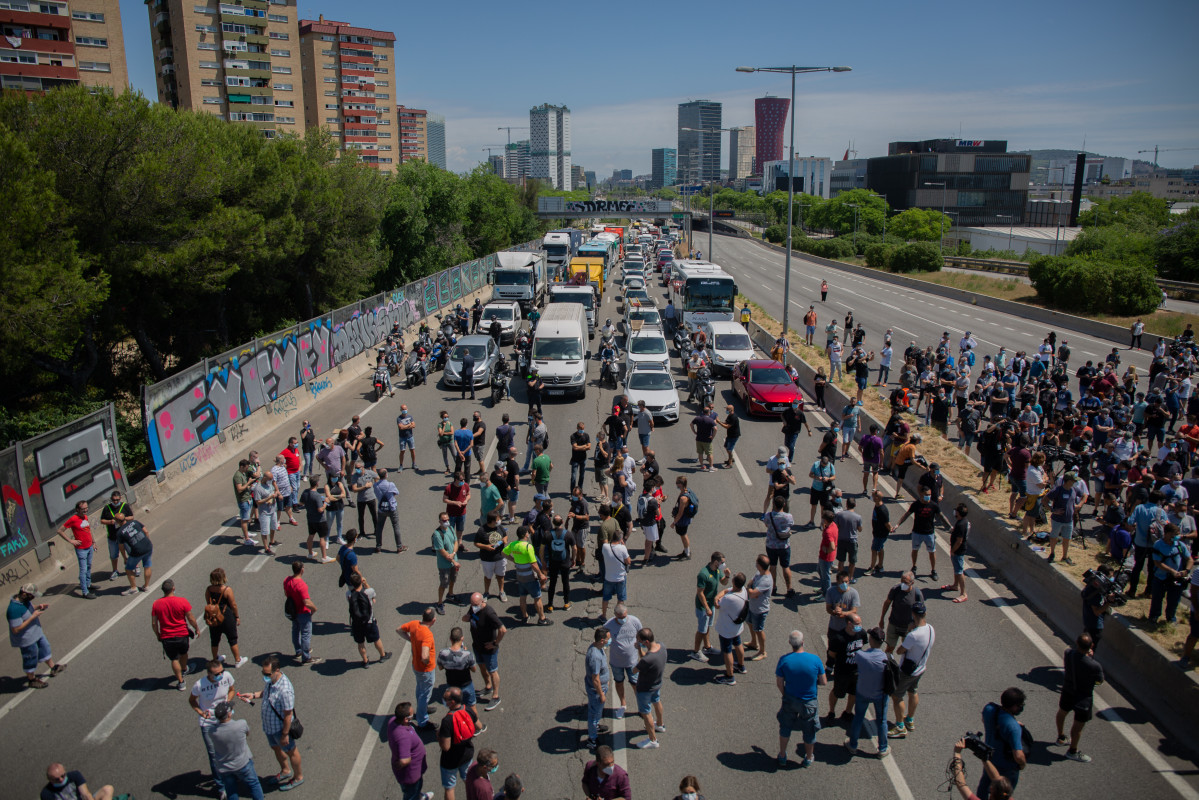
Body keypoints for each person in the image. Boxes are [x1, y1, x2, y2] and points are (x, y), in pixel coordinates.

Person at [239, 655, 304, 792]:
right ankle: (285, 770)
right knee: (275, 748)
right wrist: (254, 695)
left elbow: (288, 715)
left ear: (277, 670)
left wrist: (285, 734)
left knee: (292, 751)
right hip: (270, 727)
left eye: (267, 674)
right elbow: (267, 693)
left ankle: (298, 776)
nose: (265, 676)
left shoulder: (285, 690)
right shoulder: (272, 681)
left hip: (280, 729)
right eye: (263, 673)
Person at [775, 630, 827, 767]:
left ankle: (782, 755)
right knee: (809, 730)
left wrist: (785, 693)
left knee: (785, 727)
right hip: (809, 701)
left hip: (790, 699)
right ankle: (809, 757)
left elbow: (779, 682)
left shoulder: (784, 660)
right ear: (803, 642)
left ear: (790, 644)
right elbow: (824, 681)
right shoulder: (815, 659)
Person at [1055, 632, 1104, 764]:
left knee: (1062, 712)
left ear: (1077, 643)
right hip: (1083, 697)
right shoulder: (1095, 666)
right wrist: (1090, 659)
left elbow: (1072, 654)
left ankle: (1060, 737)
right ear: (1092, 646)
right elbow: (1099, 682)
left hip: (1068, 690)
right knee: (1078, 725)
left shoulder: (1068, 654)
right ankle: (1072, 751)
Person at [8, 583, 65, 690]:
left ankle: (53, 667)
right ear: (24, 594)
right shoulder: (13, 609)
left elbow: (29, 608)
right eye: (32, 595)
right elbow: (16, 629)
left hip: (36, 632)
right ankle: (32, 680)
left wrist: (38, 606)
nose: (33, 597)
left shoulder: (24, 601)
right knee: (30, 658)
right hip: (27, 639)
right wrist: (33, 617)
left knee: (45, 648)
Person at [889, 600, 933, 739]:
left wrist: (909, 631)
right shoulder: (931, 629)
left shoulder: (913, 635)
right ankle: (910, 719)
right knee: (913, 691)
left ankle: (900, 725)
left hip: (907, 671)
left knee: (897, 696)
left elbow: (900, 651)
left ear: (913, 614)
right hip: (920, 668)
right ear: (925, 613)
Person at [979, 688, 1027, 797]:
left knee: (983, 789)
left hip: (989, 761)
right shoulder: (1013, 728)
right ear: (1014, 706)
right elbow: (1018, 756)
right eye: (1020, 705)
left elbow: (984, 720)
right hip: (1006, 768)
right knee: (1001, 796)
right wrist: (1022, 764)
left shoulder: (989, 709)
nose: (1021, 707)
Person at [438, 686, 484, 800]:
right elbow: (479, 726)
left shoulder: (447, 721)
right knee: (469, 781)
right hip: (467, 754)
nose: (443, 700)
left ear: (452, 702)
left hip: (450, 760)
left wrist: (439, 735)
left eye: (445, 698)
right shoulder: (467, 709)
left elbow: (445, 747)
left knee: (449, 788)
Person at [151, 579, 198, 690]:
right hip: (182, 634)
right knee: (184, 652)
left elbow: (154, 623)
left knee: (174, 659)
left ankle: (181, 682)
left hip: (167, 637)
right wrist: (196, 628)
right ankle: (185, 668)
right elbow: (190, 618)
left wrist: (158, 634)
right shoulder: (182, 601)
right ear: (173, 588)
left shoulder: (156, 604)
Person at [463, 593, 506, 712]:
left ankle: (496, 696)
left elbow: (502, 630)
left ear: (482, 602)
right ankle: (488, 686)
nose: (473, 607)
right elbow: (467, 617)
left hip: (489, 649)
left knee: (492, 671)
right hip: (477, 645)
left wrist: (495, 643)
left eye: (475, 604)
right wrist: (465, 618)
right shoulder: (473, 608)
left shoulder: (489, 613)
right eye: (471, 604)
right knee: (482, 667)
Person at [398, 608, 438, 729]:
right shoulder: (427, 635)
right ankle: (423, 721)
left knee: (420, 689)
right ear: (433, 620)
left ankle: (423, 709)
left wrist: (411, 639)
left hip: (416, 666)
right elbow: (425, 655)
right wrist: (426, 661)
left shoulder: (414, 624)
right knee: (424, 694)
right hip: (425, 670)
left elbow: (399, 630)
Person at [502, 525, 550, 625]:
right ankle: (542, 618)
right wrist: (540, 574)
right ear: (525, 535)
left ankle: (525, 616)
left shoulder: (513, 544)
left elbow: (503, 553)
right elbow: (533, 563)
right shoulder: (528, 547)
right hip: (530, 577)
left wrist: (513, 559)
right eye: (527, 532)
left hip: (520, 576)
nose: (528, 534)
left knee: (522, 597)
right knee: (537, 598)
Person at [603, 603, 642, 721]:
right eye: (620, 617)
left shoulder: (635, 621)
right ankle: (623, 704)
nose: (623, 619)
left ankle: (641, 707)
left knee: (636, 684)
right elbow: (603, 638)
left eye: (624, 616)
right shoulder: (608, 625)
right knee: (619, 682)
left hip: (632, 662)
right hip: (616, 663)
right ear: (615, 615)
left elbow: (641, 635)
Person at [689, 552, 729, 661]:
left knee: (707, 627)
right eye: (722, 562)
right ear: (716, 562)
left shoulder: (717, 570)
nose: (723, 564)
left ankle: (707, 647)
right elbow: (700, 593)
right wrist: (706, 607)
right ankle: (696, 652)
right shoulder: (703, 574)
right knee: (701, 630)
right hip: (703, 607)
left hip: (711, 605)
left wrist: (727, 576)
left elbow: (724, 582)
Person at [388, 702, 433, 800]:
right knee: (411, 794)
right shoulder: (403, 737)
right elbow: (405, 760)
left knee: (415, 791)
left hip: (414, 771)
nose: (413, 716)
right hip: (411, 774)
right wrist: (398, 766)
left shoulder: (392, 721)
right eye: (412, 715)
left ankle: (419, 796)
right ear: (405, 719)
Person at [204, 568, 246, 667]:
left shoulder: (209, 589)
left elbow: (208, 602)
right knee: (232, 638)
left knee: (214, 639)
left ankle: (215, 659)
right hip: (226, 616)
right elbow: (233, 605)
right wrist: (237, 616)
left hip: (214, 617)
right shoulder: (227, 590)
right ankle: (237, 660)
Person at [897, 486, 941, 581]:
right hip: (917, 532)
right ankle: (914, 566)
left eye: (929, 495)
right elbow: (907, 515)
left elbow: (941, 516)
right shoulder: (916, 505)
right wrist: (898, 524)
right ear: (921, 494)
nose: (928, 496)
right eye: (926, 495)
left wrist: (950, 527)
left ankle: (933, 570)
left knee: (932, 552)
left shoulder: (934, 505)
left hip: (929, 533)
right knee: (915, 550)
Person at [633, 626, 667, 749]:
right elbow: (646, 658)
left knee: (646, 713)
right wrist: (639, 649)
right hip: (656, 684)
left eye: (640, 641)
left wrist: (639, 651)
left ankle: (652, 740)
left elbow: (634, 670)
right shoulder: (661, 646)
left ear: (646, 642)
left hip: (644, 689)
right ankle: (660, 724)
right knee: (657, 701)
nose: (638, 643)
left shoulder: (647, 660)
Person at [347, 572, 390, 667]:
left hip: (357, 623)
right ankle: (383, 655)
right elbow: (373, 593)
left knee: (360, 643)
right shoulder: (368, 592)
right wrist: (365, 583)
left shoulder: (349, 594)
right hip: (369, 622)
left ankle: (365, 661)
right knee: (376, 639)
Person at [713, 572, 749, 685]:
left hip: (726, 629)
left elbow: (718, 605)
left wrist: (716, 598)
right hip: (736, 627)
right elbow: (725, 591)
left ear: (733, 582)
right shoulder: (743, 591)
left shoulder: (729, 599)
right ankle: (741, 665)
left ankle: (730, 676)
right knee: (738, 644)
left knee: (727, 651)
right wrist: (719, 596)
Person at [57, 500, 96, 599]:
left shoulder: (85, 517)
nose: (86, 510)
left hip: (89, 546)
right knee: (83, 570)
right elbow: (60, 530)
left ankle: (88, 584)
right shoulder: (73, 519)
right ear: (77, 509)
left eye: (86, 508)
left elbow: (88, 530)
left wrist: (93, 542)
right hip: (81, 549)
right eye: (83, 509)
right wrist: (71, 541)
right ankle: (85, 592)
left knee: (89, 566)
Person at [824, 568, 860, 677]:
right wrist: (834, 612)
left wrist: (843, 614)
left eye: (846, 582)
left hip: (847, 629)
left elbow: (854, 610)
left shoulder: (853, 593)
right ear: (837, 581)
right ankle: (829, 666)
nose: (844, 584)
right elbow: (828, 608)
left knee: (844, 651)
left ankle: (840, 668)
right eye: (842, 582)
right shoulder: (831, 591)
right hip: (834, 627)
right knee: (831, 650)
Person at [283, 562, 320, 666]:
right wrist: (314, 609)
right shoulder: (301, 585)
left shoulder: (287, 580)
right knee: (306, 634)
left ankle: (298, 650)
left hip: (293, 611)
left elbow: (286, 593)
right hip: (303, 612)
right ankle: (306, 656)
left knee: (295, 630)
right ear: (302, 570)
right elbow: (306, 602)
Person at [948, 742, 1013, 800]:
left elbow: (961, 784)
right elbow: (996, 778)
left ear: (991, 788)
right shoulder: (1005, 796)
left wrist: (957, 754)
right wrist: (984, 758)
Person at [438, 626, 478, 714]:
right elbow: (474, 669)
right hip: (466, 684)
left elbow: (440, 667)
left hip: (451, 685)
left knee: (453, 707)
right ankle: (476, 726)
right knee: (472, 706)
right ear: (462, 638)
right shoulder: (467, 654)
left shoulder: (443, 653)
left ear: (450, 639)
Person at [114, 511, 154, 595]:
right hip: (148, 547)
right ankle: (146, 586)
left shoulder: (120, 532)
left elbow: (121, 547)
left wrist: (125, 557)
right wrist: (147, 542)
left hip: (137, 551)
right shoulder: (134, 522)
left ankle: (133, 587)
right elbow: (146, 532)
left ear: (117, 521)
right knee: (147, 566)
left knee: (128, 568)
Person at [585, 627, 611, 750]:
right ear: (602, 640)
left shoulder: (598, 647)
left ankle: (595, 727)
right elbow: (595, 678)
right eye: (608, 639)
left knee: (597, 711)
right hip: (596, 691)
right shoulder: (595, 656)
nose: (609, 641)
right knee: (594, 714)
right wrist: (601, 694)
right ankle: (592, 739)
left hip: (602, 686)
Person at [99, 490, 133, 582]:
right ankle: (115, 570)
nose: (115, 502)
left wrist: (122, 519)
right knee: (114, 555)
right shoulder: (107, 508)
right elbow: (102, 520)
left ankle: (135, 566)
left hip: (125, 535)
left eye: (117, 500)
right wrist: (110, 522)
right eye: (113, 500)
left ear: (120, 499)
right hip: (113, 536)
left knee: (130, 551)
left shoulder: (124, 506)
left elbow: (131, 517)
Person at [433, 511, 461, 615]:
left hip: (454, 561)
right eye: (444, 520)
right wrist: (453, 560)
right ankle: (439, 602)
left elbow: (455, 542)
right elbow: (442, 552)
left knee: (453, 578)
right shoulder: (437, 534)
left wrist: (453, 553)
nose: (447, 522)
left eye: (448, 520)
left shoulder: (450, 528)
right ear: (440, 521)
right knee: (444, 583)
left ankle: (450, 594)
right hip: (444, 564)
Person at [373, 468, 406, 553]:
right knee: (396, 526)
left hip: (381, 509)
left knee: (379, 527)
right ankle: (399, 546)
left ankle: (378, 546)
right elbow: (396, 492)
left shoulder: (376, 485)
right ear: (386, 475)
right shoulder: (390, 484)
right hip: (392, 508)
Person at [40, 763, 115, 800]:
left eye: (62, 776)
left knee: (107, 789)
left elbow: (86, 794)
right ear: (50, 779)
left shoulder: (74, 775)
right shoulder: (46, 793)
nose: (61, 779)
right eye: (57, 779)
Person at [945, 503, 971, 602]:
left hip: (958, 551)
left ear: (958, 513)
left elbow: (959, 540)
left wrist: (953, 550)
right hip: (959, 550)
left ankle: (963, 593)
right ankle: (955, 585)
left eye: (956, 511)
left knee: (959, 571)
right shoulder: (963, 521)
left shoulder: (961, 524)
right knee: (956, 569)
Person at [671, 476, 697, 560]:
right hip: (685, 518)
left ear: (681, 484)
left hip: (682, 520)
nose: (676, 484)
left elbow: (680, 513)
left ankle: (687, 552)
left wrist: (674, 522)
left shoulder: (683, 498)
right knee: (683, 534)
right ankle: (686, 550)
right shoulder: (686, 490)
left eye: (677, 483)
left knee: (683, 535)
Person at [716, 403, 741, 469]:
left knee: (729, 450)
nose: (726, 410)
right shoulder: (730, 415)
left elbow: (727, 426)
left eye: (727, 409)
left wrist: (719, 422)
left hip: (734, 436)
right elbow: (726, 422)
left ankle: (730, 463)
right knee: (726, 446)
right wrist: (720, 421)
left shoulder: (733, 417)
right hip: (730, 435)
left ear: (731, 410)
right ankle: (731, 459)